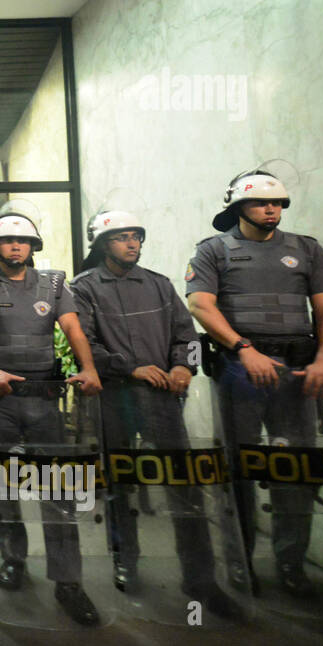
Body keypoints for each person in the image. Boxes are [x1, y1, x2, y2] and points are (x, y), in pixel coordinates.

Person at [71, 209, 242, 619]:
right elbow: (84, 344)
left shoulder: (161, 286)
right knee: (119, 484)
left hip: (162, 400)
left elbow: (187, 335)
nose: (132, 244)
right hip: (115, 397)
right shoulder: (83, 288)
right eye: (121, 237)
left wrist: (184, 365)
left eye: (136, 236)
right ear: (101, 244)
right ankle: (125, 561)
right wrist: (128, 367)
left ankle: (200, 578)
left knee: (183, 487)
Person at [185, 170, 323, 599]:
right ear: (239, 208)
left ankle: (292, 564)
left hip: (297, 370)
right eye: (261, 203)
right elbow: (201, 304)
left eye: (277, 203)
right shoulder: (214, 250)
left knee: (294, 468)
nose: (271, 209)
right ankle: (240, 563)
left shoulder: (306, 249)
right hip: (242, 369)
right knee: (238, 469)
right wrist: (243, 348)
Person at [0, 207, 103, 625]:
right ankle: (13, 560)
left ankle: (68, 581)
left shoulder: (55, 282)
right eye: (7, 240)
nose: (16, 246)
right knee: (6, 483)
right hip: (0, 398)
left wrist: (89, 367)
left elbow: (74, 328)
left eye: (22, 240)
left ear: (34, 246)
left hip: (45, 396)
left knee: (58, 490)